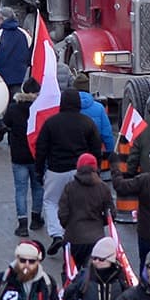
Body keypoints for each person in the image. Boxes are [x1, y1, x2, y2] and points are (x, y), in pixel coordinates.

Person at [33, 82, 103, 243]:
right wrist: (95, 169)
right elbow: (96, 147)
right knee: (78, 203)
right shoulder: (87, 122)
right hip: (81, 170)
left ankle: (57, 234)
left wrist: (39, 170)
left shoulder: (51, 123)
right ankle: (75, 233)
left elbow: (41, 148)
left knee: (51, 201)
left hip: (56, 169)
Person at [0, 79, 48, 238]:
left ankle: (22, 224)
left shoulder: (13, 109)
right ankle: (36, 218)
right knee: (38, 188)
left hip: (18, 155)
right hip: (37, 155)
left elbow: (5, 125)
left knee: (20, 189)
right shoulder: (40, 110)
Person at [58, 152, 115, 268]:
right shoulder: (103, 188)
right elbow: (111, 214)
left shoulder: (70, 187)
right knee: (92, 275)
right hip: (96, 239)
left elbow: (63, 214)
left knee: (72, 274)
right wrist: (100, 222)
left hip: (74, 237)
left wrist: (69, 225)